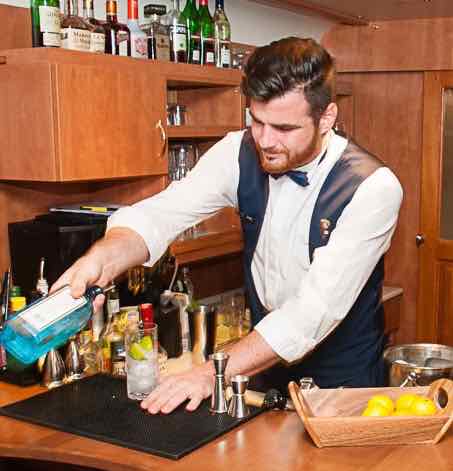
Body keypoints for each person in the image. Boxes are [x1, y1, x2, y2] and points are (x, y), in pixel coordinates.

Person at [54, 37, 403, 414]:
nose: (266, 141)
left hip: (343, 382)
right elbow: (161, 214)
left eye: (284, 128)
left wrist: (209, 373)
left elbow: (311, 313)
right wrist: (101, 260)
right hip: (260, 369)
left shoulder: (373, 188)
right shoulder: (237, 152)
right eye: (257, 120)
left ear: (327, 117)